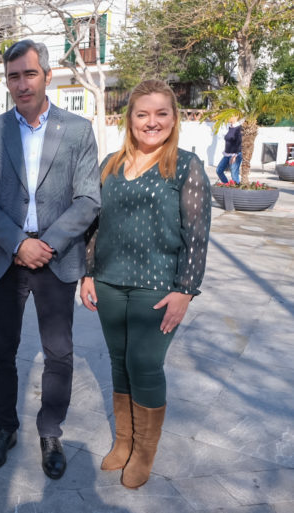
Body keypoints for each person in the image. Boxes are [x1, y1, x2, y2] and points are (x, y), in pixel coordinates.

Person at [0, 39, 101, 479]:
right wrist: (18, 243)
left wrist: (48, 243)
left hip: (56, 256)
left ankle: (50, 431)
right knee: (0, 351)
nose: (21, 83)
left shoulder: (78, 130)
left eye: (29, 73)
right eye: (13, 76)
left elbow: (88, 199)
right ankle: (4, 428)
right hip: (5, 257)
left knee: (59, 353)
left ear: (47, 75)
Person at [80, 79, 211, 489]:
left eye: (161, 114)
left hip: (158, 287)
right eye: (142, 114)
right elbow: (95, 226)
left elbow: (197, 233)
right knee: (119, 361)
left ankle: (143, 452)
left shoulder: (186, 166)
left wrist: (185, 291)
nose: (151, 122)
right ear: (129, 119)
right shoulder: (109, 164)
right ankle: (124, 441)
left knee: (145, 364)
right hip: (109, 283)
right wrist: (87, 273)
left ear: (173, 118)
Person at [215, 116, 242, 184]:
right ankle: (226, 185)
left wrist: (235, 156)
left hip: (235, 154)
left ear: (236, 117)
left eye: (230, 116)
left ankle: (236, 191)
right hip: (227, 154)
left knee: (234, 175)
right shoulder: (230, 127)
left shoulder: (239, 128)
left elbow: (239, 143)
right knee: (219, 170)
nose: (228, 117)